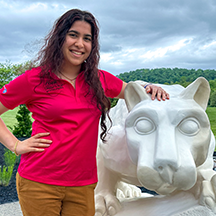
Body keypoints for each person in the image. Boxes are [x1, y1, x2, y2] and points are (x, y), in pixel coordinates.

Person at [0, 9, 169, 216]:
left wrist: (150, 86)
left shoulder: (100, 80)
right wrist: (15, 144)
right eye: (73, 35)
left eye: (87, 38)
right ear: (59, 38)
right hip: (39, 182)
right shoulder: (34, 79)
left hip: (83, 184)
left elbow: (134, 92)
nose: (80, 44)